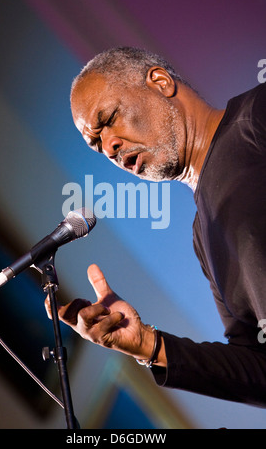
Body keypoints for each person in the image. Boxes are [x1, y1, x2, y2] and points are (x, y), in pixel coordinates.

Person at [45, 47, 266, 407]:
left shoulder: (257, 117)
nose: (110, 145)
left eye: (109, 118)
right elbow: (259, 369)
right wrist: (150, 345)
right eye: (96, 144)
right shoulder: (203, 237)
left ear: (160, 83)